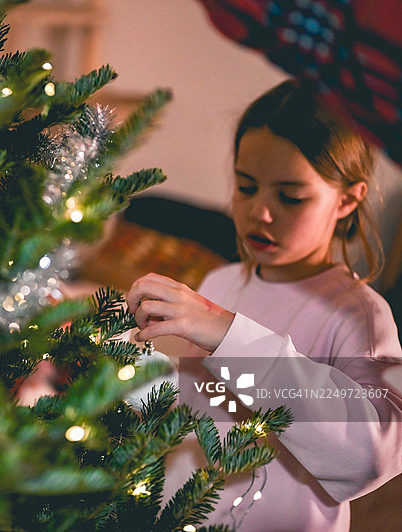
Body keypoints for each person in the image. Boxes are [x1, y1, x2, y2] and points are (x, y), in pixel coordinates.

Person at [125, 79, 402, 531]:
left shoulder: (359, 315)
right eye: (246, 186)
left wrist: (226, 332)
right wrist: (137, 374)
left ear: (348, 199)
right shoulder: (219, 282)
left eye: (290, 196)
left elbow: (370, 454)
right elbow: (205, 409)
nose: (261, 212)